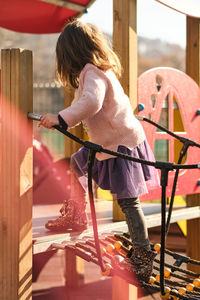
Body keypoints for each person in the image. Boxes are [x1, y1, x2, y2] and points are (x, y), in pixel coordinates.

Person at [38, 19, 160, 281]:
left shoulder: (93, 74)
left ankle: (142, 254)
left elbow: (90, 103)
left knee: (128, 202)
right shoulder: (93, 73)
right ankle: (77, 214)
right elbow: (84, 103)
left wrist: (59, 118)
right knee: (77, 163)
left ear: (70, 54)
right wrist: (63, 117)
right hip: (107, 144)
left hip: (120, 146)